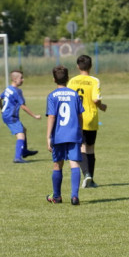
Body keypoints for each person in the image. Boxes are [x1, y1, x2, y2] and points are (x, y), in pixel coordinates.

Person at [45, 65, 84, 205]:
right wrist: (80, 130)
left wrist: (48, 136)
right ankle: (74, 196)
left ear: (54, 79)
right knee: (74, 164)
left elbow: (51, 117)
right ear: (68, 78)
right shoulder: (74, 95)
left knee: (57, 165)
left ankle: (57, 196)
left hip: (59, 135)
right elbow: (80, 115)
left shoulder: (52, 96)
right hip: (73, 134)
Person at [67, 54, 107, 188]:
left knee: (81, 147)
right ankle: (91, 179)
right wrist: (102, 106)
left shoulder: (72, 81)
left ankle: (86, 175)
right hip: (90, 118)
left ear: (78, 66)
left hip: (76, 118)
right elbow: (96, 99)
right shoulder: (94, 80)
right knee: (90, 148)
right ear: (90, 66)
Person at [0, 69, 41, 162]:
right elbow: (23, 107)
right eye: (21, 78)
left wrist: (2, 109)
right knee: (20, 135)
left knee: (23, 130)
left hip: (6, 115)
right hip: (11, 116)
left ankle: (24, 151)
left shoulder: (8, 88)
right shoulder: (17, 91)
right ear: (15, 79)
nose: (23, 80)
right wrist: (34, 116)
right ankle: (17, 157)